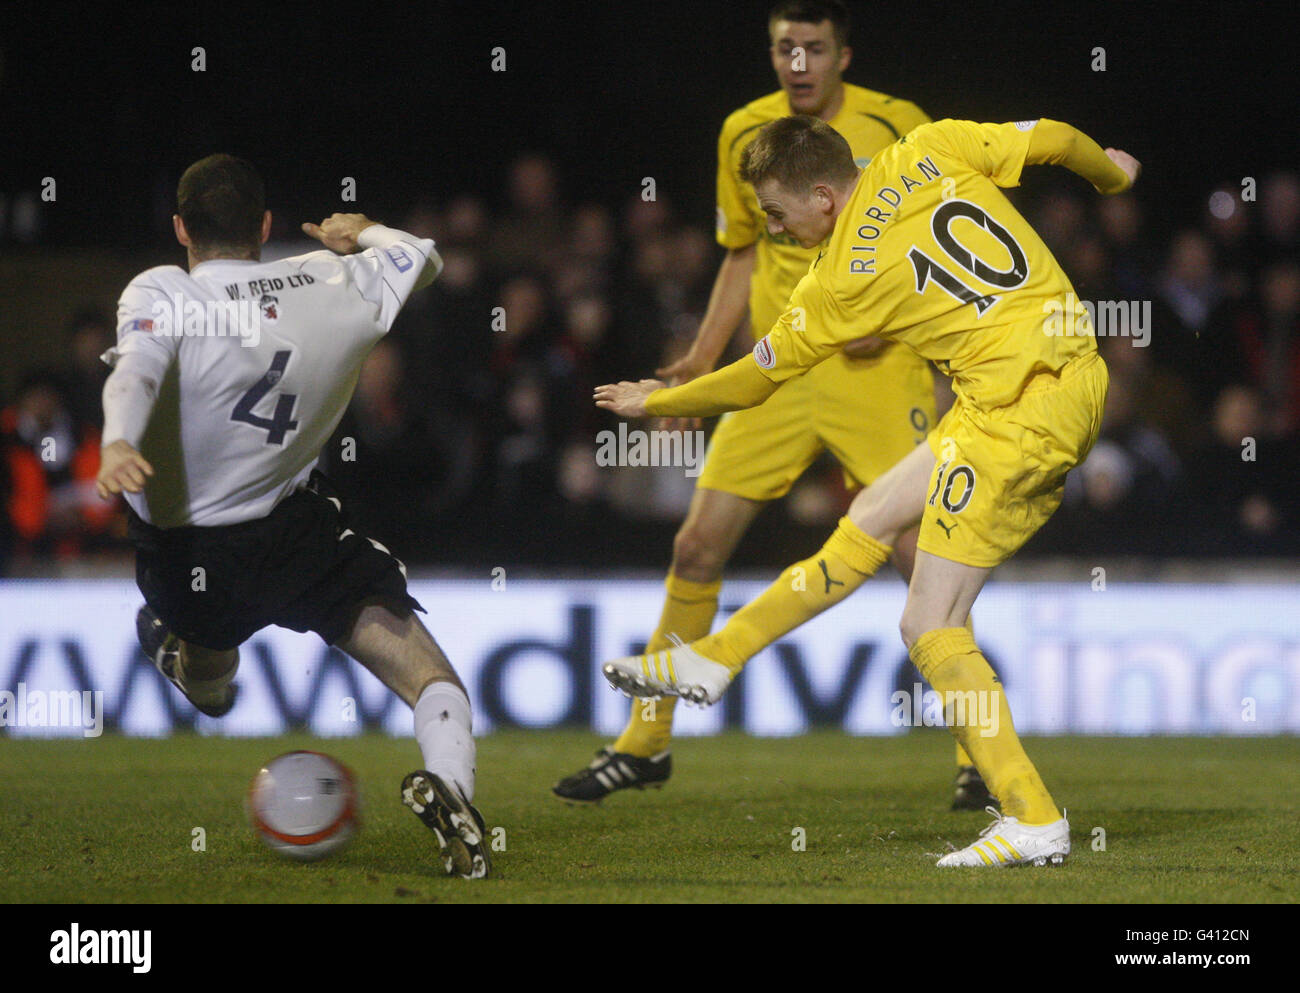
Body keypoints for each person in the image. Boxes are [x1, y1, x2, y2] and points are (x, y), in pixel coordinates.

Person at [593, 115, 1140, 867]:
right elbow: (1049, 135)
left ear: (822, 195)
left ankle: (1032, 814)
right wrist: (1112, 175)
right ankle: (717, 656)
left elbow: (756, 378)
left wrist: (653, 399)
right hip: (1049, 379)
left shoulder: (842, 278)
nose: (778, 235)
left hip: (1019, 413)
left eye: (780, 217)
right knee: (874, 511)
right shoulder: (928, 145)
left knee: (928, 621)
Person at [552, 0, 977, 808]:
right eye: (786, 48)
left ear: (844, 55)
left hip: (879, 374)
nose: (799, 64)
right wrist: (700, 361)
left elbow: (940, 241)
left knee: (925, 561)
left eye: (814, 48)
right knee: (696, 548)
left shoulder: (899, 125)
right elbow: (742, 254)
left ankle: (974, 755)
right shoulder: (742, 130)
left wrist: (901, 328)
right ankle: (645, 743)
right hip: (777, 368)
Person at [95, 154, 490, 878]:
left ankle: (191, 666)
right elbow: (421, 258)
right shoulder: (330, 279)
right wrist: (364, 228)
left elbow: (138, 368)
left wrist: (118, 437)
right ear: (267, 223)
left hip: (190, 558)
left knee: (212, 670)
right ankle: (455, 787)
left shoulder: (163, 289)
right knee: (432, 675)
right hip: (296, 531)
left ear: (180, 227)